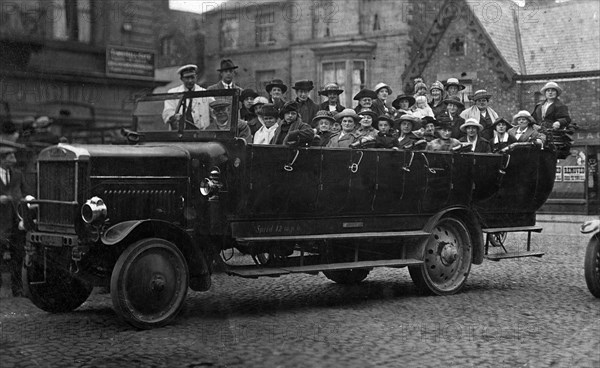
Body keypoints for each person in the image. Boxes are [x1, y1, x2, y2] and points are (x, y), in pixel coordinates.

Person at [0, 139, 30, 297]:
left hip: (16, 221)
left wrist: (26, 200)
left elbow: (26, 192)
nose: (13, 158)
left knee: (18, 255)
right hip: (0, 222)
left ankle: (17, 288)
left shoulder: (17, 174)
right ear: (2, 159)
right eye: (10, 156)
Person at [163, 64, 213, 130]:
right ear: (181, 79)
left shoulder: (204, 93)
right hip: (180, 135)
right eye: (187, 78)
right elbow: (167, 113)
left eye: (192, 77)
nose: (190, 81)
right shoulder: (173, 93)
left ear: (196, 77)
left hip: (201, 134)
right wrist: (174, 117)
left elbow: (215, 110)